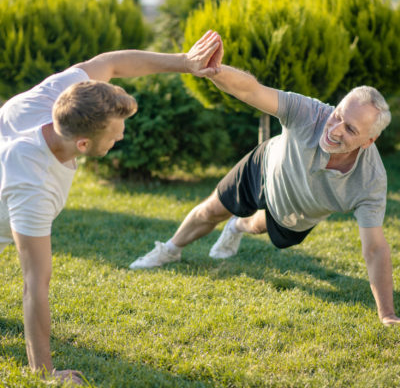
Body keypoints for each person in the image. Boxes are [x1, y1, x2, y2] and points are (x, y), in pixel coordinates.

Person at [129, 36, 400, 327]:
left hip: (296, 212)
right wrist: (216, 70)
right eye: (337, 116)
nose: (334, 129)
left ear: (369, 140)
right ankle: (170, 249)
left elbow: (374, 248)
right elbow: (252, 90)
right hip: (265, 166)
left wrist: (387, 315)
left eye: (350, 129)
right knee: (211, 210)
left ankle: (236, 227)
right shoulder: (309, 113)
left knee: (255, 225)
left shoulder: (370, 181)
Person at [0, 30, 222, 385]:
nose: (121, 137)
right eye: (115, 134)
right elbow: (34, 284)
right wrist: (44, 373)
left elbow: (113, 63)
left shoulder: (65, 99)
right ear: (84, 142)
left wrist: (185, 62)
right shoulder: (33, 183)